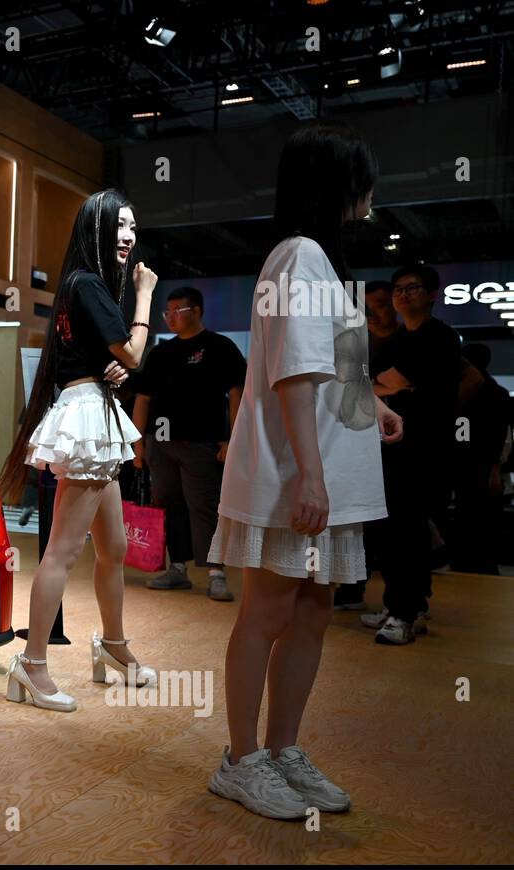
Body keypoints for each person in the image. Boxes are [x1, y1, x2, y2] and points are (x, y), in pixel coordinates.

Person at [205, 123, 403, 819]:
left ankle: (283, 750)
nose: (369, 196)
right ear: (336, 184)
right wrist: (312, 477)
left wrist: (370, 403)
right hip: (297, 474)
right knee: (269, 610)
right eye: (361, 181)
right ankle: (240, 760)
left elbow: (335, 367)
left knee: (313, 611)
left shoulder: (317, 260)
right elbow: (294, 373)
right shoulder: (298, 256)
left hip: (323, 471)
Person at [0, 188, 157, 712]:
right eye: (120, 225)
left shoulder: (82, 286)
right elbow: (133, 352)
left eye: (134, 226)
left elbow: (118, 360)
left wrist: (114, 366)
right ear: (97, 228)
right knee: (63, 551)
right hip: (88, 417)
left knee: (113, 549)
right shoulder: (88, 284)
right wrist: (146, 294)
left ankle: (113, 646)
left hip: (94, 411)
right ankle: (32, 664)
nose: (129, 237)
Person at [360, 264, 462, 645]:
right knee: (391, 530)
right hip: (392, 446)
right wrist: (389, 386)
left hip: (426, 449)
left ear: (432, 295)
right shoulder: (401, 339)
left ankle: (406, 612)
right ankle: (403, 605)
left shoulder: (442, 337)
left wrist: (389, 386)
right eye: (399, 289)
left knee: (410, 530)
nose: (402, 295)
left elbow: (388, 382)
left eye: (412, 288)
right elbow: (377, 384)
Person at [132, 286, 246, 601]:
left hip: (203, 442)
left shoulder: (220, 347)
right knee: (169, 504)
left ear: (196, 311)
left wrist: (233, 438)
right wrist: (137, 441)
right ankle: (177, 568)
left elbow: (237, 394)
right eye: (166, 312)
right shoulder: (160, 353)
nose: (170, 318)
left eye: (177, 311)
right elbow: (143, 398)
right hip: (161, 442)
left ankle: (216, 572)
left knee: (204, 505)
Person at [332, 277, 399, 611]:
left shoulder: (408, 340)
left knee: (396, 526)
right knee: (360, 522)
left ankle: (401, 605)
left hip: (398, 446)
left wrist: (374, 388)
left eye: (381, 305)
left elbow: (364, 384)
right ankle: (352, 587)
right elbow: (353, 383)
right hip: (355, 445)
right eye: (367, 306)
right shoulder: (357, 342)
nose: (373, 312)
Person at [448, 344, 513, 574]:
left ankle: (465, 559)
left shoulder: (463, 391)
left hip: (466, 462)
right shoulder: (498, 394)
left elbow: (460, 431)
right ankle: (483, 559)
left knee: (465, 513)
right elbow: (503, 435)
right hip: (486, 464)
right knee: (483, 516)